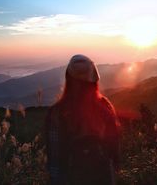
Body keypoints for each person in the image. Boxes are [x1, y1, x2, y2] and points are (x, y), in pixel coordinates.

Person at [45, 54, 120, 185]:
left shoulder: (57, 112)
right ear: (95, 78)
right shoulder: (105, 107)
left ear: (68, 79)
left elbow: (55, 161)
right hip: (104, 178)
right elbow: (114, 153)